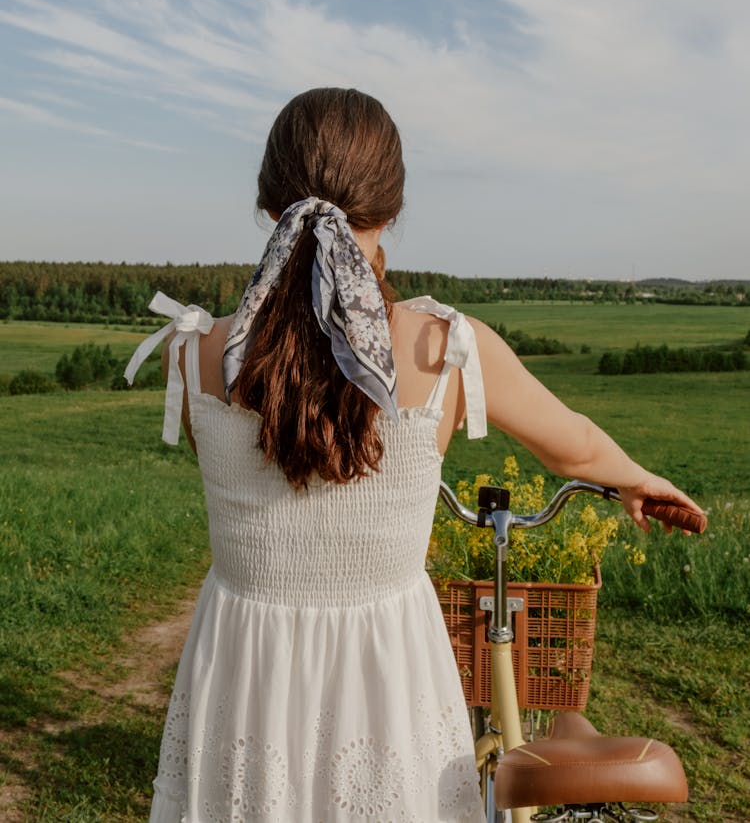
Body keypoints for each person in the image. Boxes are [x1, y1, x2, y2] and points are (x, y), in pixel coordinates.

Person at [126, 87, 703, 823]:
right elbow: (576, 445)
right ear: (390, 209)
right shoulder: (446, 347)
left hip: (244, 671)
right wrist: (638, 480)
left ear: (270, 206)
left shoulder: (196, 349)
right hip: (386, 673)